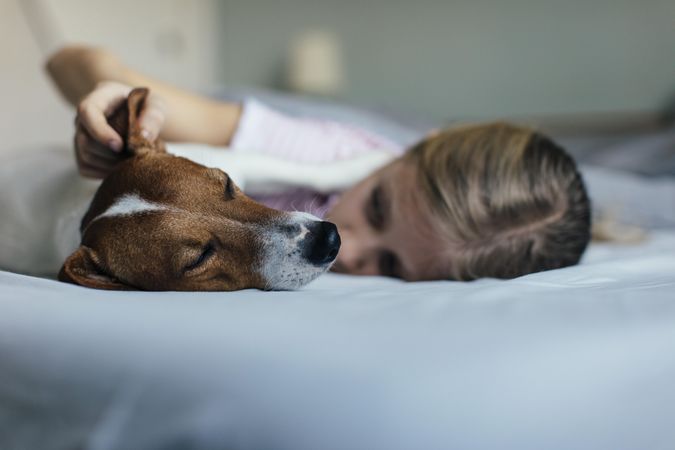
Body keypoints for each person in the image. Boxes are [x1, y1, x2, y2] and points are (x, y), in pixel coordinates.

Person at [46, 46, 591, 281]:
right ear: (404, 153)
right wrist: (108, 100)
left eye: (391, 267)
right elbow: (69, 61)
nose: (346, 247)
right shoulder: (325, 151)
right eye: (375, 207)